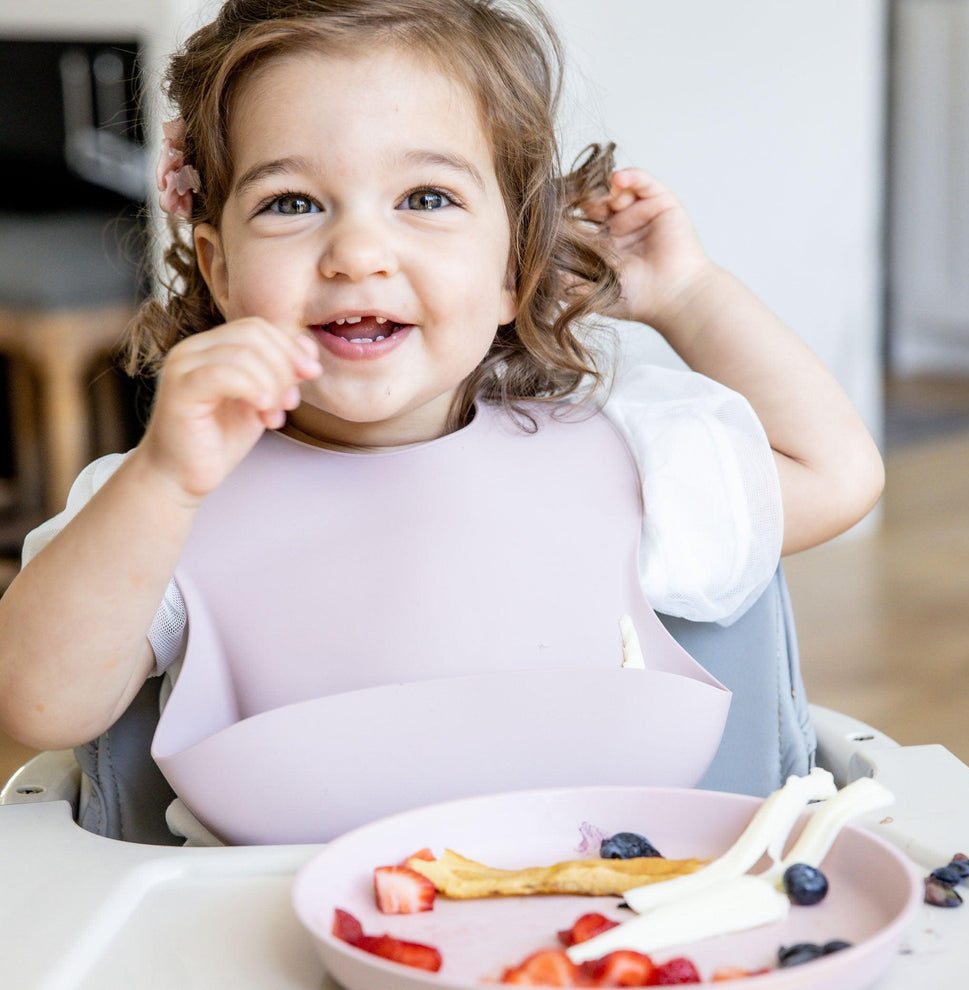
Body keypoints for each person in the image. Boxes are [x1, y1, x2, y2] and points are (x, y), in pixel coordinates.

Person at [0, 0, 882, 838]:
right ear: (220, 269)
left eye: (425, 198)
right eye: (291, 203)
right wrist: (160, 481)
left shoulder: (630, 461)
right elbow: (39, 700)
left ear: (514, 268)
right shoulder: (163, 506)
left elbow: (837, 475)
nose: (357, 253)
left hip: (603, 932)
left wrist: (689, 296)